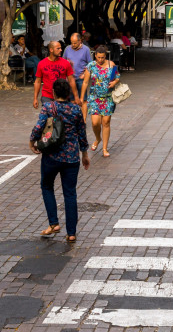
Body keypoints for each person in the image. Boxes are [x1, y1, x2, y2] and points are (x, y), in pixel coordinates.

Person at [29, 78, 90, 244]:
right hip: (71, 157)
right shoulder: (76, 110)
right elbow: (82, 133)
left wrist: (32, 141)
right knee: (70, 193)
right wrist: (84, 153)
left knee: (47, 186)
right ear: (68, 92)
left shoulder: (49, 107)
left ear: (54, 93)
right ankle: (71, 233)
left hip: (52, 155)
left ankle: (54, 223)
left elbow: (39, 126)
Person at [80, 45, 120, 158]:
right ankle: (98, 138)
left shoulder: (111, 65)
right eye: (98, 57)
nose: (100, 60)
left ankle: (105, 148)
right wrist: (82, 97)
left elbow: (117, 77)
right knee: (95, 122)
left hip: (108, 98)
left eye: (102, 57)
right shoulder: (91, 66)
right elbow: (85, 83)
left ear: (105, 56)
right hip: (94, 98)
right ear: (95, 56)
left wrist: (114, 82)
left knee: (106, 122)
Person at [33, 41, 79, 110]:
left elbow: (71, 80)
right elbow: (38, 81)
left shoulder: (65, 63)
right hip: (47, 96)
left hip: (62, 96)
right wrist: (35, 98)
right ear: (51, 50)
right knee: (49, 117)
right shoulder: (41, 64)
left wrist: (76, 97)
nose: (61, 50)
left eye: (60, 48)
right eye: (58, 48)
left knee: (61, 118)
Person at [63, 32, 91, 98]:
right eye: (71, 42)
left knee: (83, 98)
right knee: (71, 99)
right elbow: (63, 61)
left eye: (75, 43)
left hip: (80, 78)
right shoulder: (67, 49)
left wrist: (84, 74)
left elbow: (90, 64)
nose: (73, 44)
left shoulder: (86, 49)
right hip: (70, 78)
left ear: (80, 41)